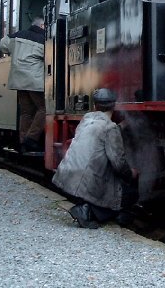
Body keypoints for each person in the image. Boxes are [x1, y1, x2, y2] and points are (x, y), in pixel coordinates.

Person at [53, 88, 137, 228]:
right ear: (114, 106)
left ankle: (88, 207)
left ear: (94, 106)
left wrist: (122, 126)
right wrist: (131, 174)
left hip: (67, 179)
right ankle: (87, 211)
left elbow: (101, 131)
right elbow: (119, 164)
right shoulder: (110, 129)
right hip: (84, 183)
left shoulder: (86, 120)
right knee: (129, 194)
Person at [0, 17, 45, 154]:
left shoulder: (16, 35)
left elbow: (3, 44)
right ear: (42, 25)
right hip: (34, 80)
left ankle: (22, 142)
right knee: (44, 108)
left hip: (18, 79)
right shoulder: (43, 39)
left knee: (26, 112)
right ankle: (31, 139)